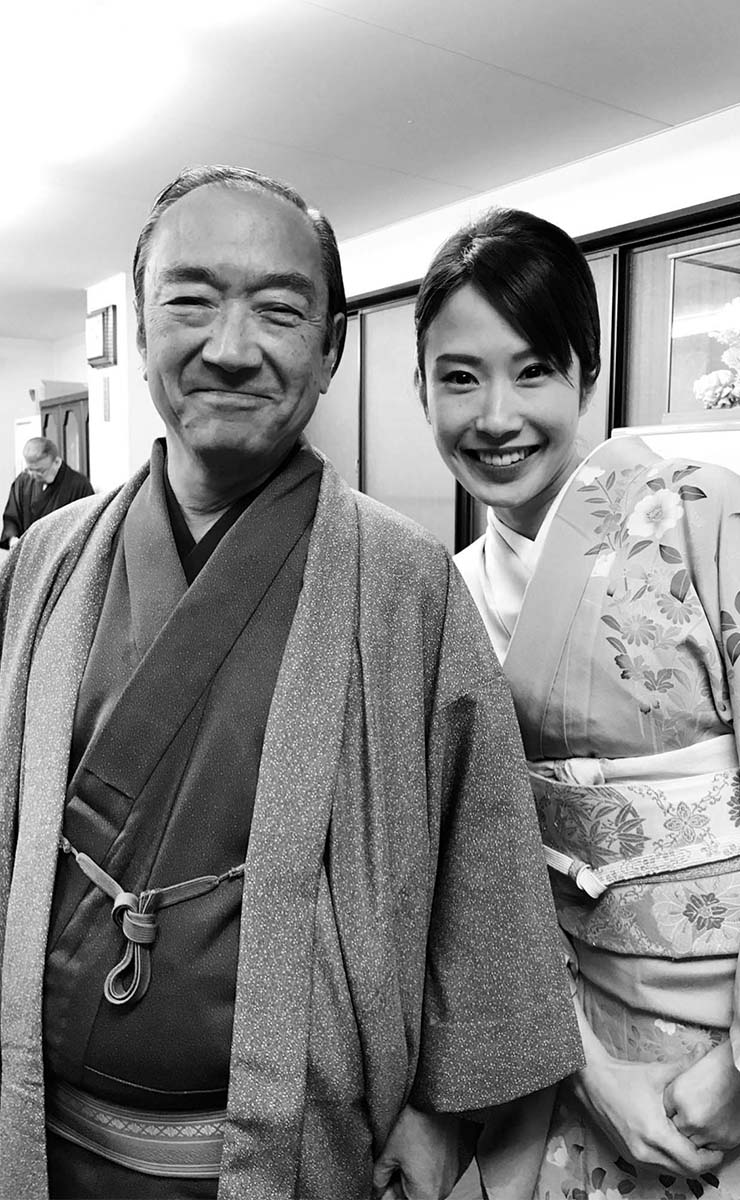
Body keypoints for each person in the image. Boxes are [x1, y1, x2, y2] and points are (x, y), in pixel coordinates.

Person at [0, 168, 583, 1200]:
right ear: (140, 327)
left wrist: (443, 1110)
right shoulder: (46, 561)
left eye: (278, 310)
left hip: (297, 1148)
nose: (231, 347)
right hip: (43, 1135)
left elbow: (481, 861)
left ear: (330, 349)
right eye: (191, 300)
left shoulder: (404, 583)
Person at [413, 205, 740, 1198]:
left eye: (532, 371)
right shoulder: (443, 596)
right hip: (564, 1048)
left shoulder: (707, 516)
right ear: (420, 389)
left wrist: (735, 1072)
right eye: (458, 378)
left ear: (586, 374)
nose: (495, 417)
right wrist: (587, 1069)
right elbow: (469, 882)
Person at [0, 436, 94, 549]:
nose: (34, 476)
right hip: (26, 553)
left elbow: (88, 526)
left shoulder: (79, 485)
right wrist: (14, 541)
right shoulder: (23, 481)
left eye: (40, 471)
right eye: (30, 470)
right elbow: (11, 517)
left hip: (61, 553)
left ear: (56, 462)